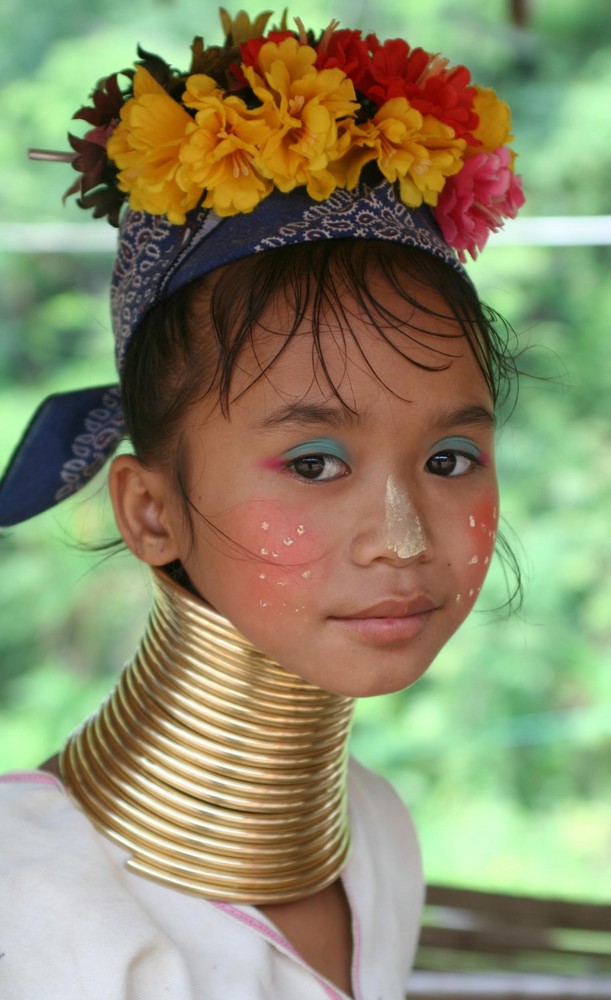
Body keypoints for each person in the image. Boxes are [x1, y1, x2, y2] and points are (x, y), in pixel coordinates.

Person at [0, 10, 524, 999]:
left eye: (451, 457)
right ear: (151, 510)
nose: (403, 540)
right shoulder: (30, 902)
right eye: (316, 464)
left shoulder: (375, 837)